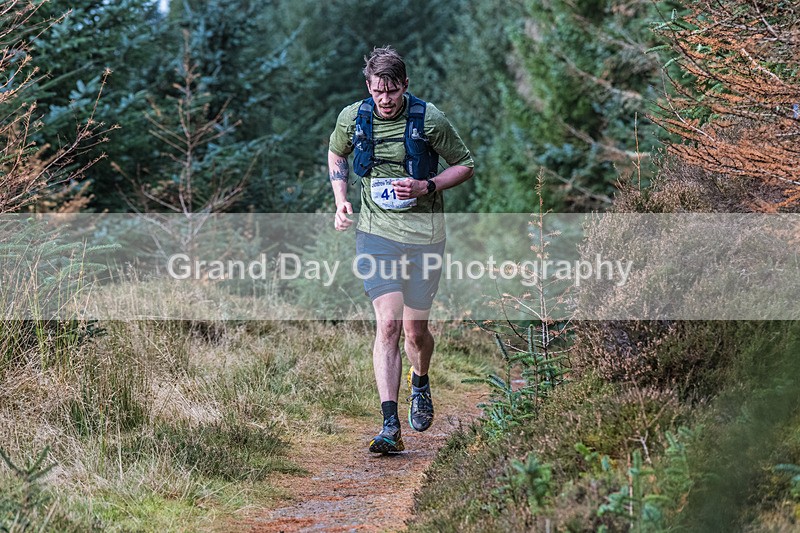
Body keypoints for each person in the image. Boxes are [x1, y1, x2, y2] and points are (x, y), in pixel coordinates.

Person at [327, 46, 474, 454]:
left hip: (425, 237)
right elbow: (336, 152)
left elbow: (465, 164)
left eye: (392, 91)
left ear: (405, 85)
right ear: (368, 88)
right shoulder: (352, 117)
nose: (385, 100)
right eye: (377, 92)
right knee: (388, 325)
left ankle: (420, 380)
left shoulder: (429, 119)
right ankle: (390, 425)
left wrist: (428, 186)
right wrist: (341, 199)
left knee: (415, 331)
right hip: (375, 235)